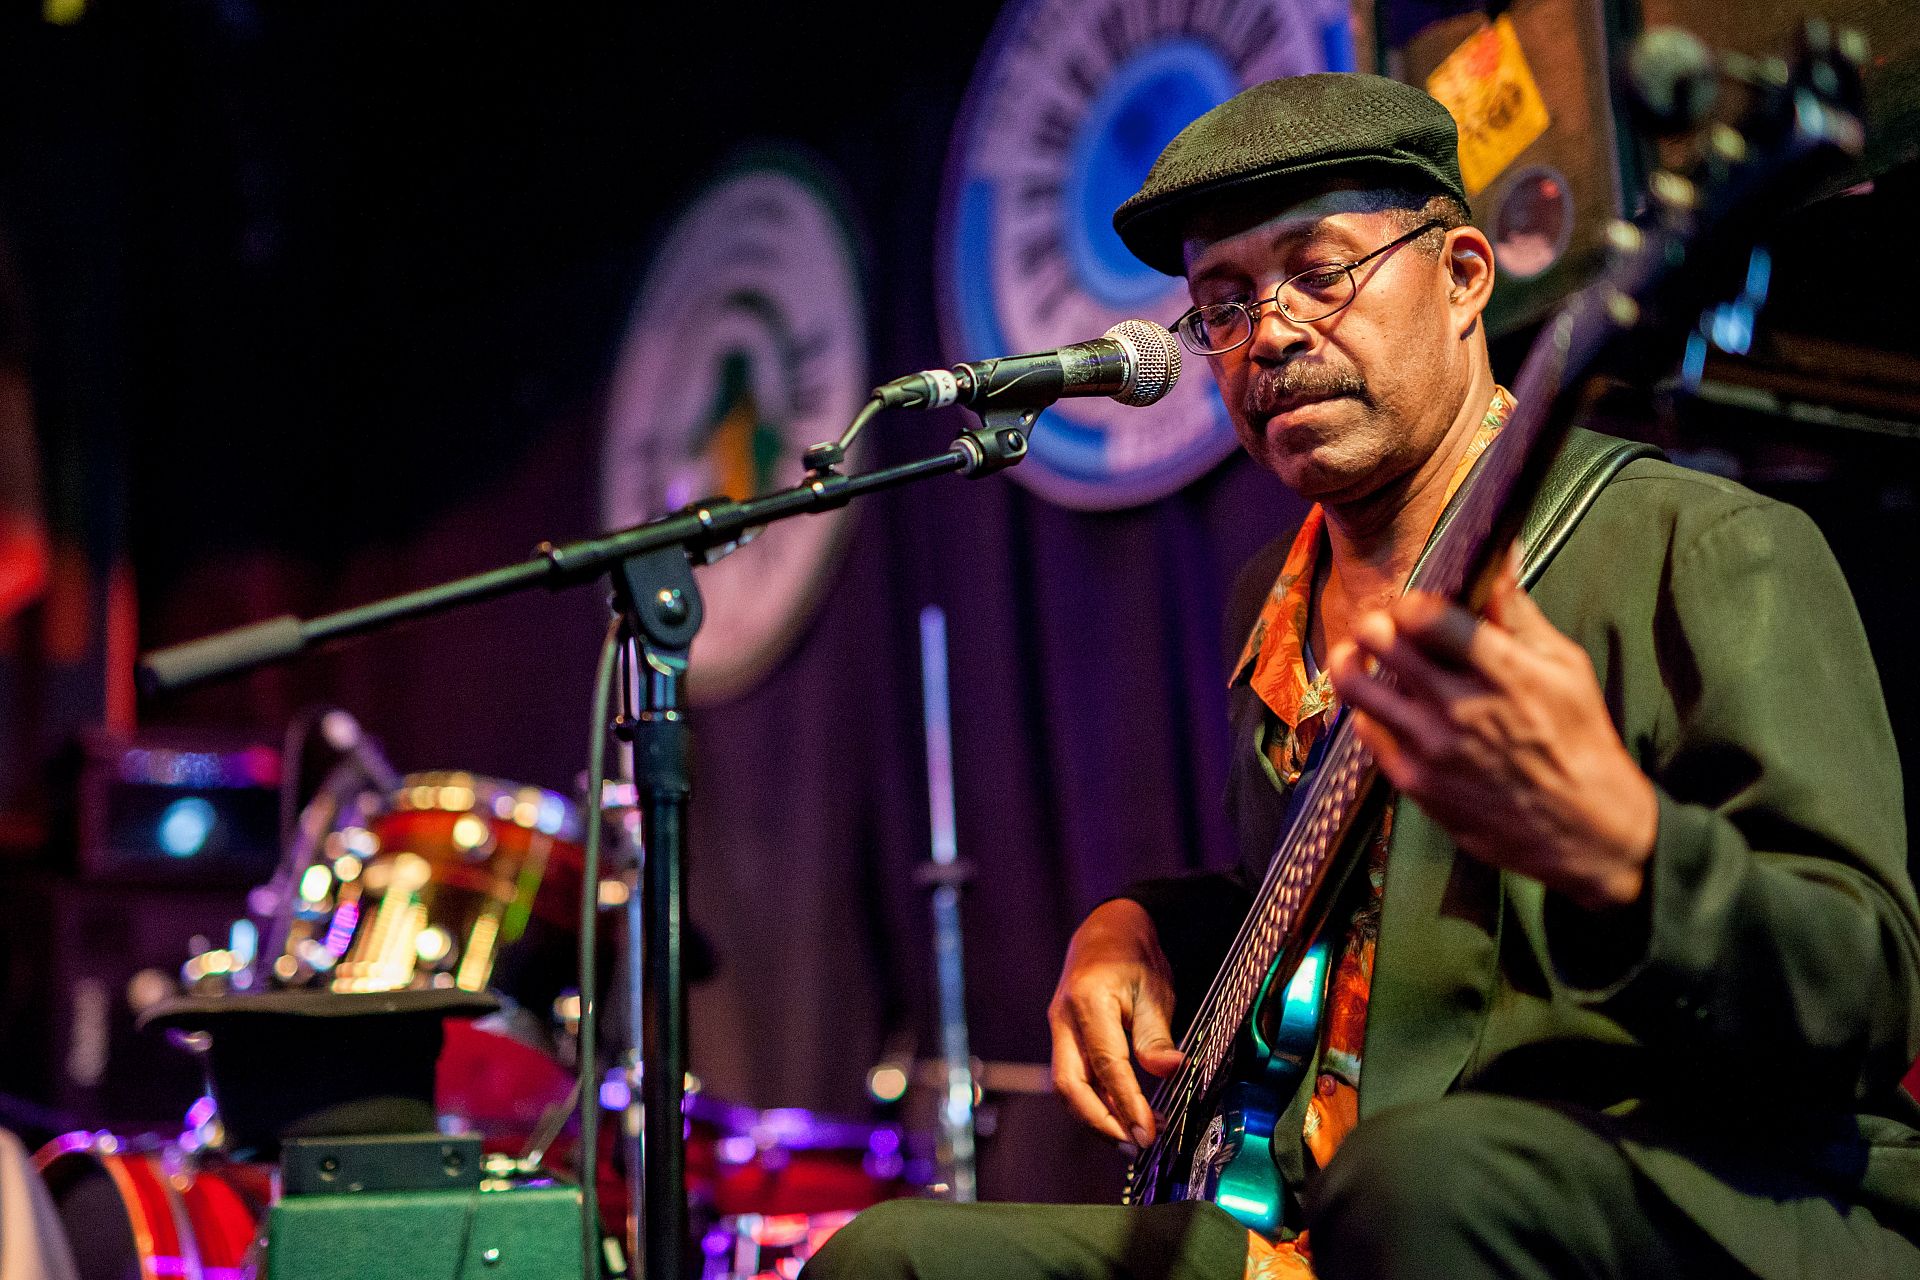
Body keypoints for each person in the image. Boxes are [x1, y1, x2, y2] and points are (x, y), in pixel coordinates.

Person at [804, 72, 1920, 1279]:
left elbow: (1862, 991)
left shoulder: (1706, 548)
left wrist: (1630, 854)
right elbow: (1326, 903)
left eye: (1319, 271)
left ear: (1464, 279)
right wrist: (1138, 928)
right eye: (1220, 305)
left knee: (1418, 1182)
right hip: (1318, 1217)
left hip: (1670, 1194)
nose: (1269, 333)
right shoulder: (1270, 610)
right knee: (888, 1254)